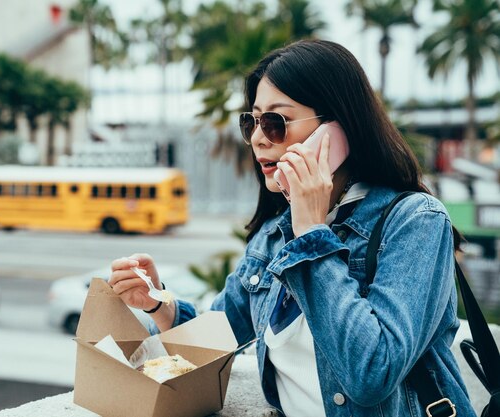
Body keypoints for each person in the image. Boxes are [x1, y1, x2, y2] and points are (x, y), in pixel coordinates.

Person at [109, 39, 476, 417]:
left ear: (336, 132)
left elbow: (371, 373)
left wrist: (312, 232)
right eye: (251, 121)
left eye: (275, 122)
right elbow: (220, 335)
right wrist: (156, 302)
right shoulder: (274, 234)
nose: (257, 138)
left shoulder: (415, 221)